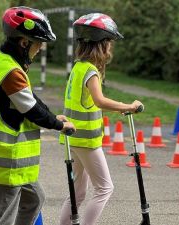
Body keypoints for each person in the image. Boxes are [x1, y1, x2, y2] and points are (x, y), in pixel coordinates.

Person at [0, 6, 75, 225]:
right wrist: (58, 126)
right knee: (2, 215)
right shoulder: (11, 72)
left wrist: (54, 117)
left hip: (12, 159)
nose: (41, 49)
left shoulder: (3, 60)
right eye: (39, 43)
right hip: (6, 157)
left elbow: (28, 97)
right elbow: (31, 109)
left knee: (34, 199)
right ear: (24, 43)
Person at [59, 13, 142, 225]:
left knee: (77, 193)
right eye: (109, 43)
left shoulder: (77, 67)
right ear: (102, 45)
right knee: (105, 188)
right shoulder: (90, 71)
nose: (111, 48)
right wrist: (128, 106)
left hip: (73, 138)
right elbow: (100, 100)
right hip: (86, 141)